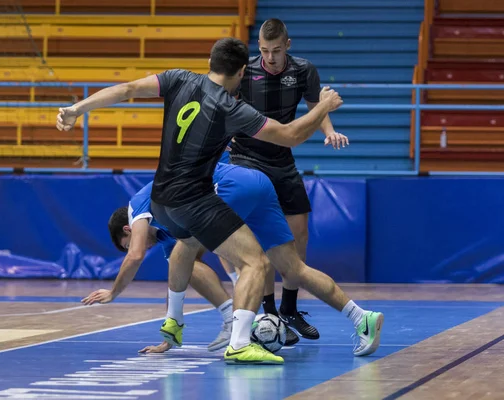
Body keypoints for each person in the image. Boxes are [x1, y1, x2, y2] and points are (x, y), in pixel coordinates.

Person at [56, 37, 370, 365]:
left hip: (162, 200)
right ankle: (238, 342)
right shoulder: (230, 107)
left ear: (210, 61)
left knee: (182, 250)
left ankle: (175, 322)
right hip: (196, 199)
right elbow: (290, 135)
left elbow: (128, 88)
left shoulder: (178, 78)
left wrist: (77, 109)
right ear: (239, 73)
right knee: (257, 263)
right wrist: (323, 106)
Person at [228, 18, 349, 343]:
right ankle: (267, 312)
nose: (270, 57)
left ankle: (290, 309)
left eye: (277, 50)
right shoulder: (246, 72)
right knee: (261, 242)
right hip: (247, 159)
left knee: (299, 235)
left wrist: (329, 131)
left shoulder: (304, 71)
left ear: (288, 46)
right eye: (265, 51)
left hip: (282, 160)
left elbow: (316, 107)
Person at [81, 179, 235, 352]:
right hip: (220, 202)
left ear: (128, 229)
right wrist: (167, 340)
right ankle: (242, 319)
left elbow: (135, 256)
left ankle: (235, 319)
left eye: (127, 244)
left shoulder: (139, 204)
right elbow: (176, 283)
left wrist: (113, 292)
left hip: (222, 189)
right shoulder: (167, 238)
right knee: (185, 265)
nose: (140, 247)